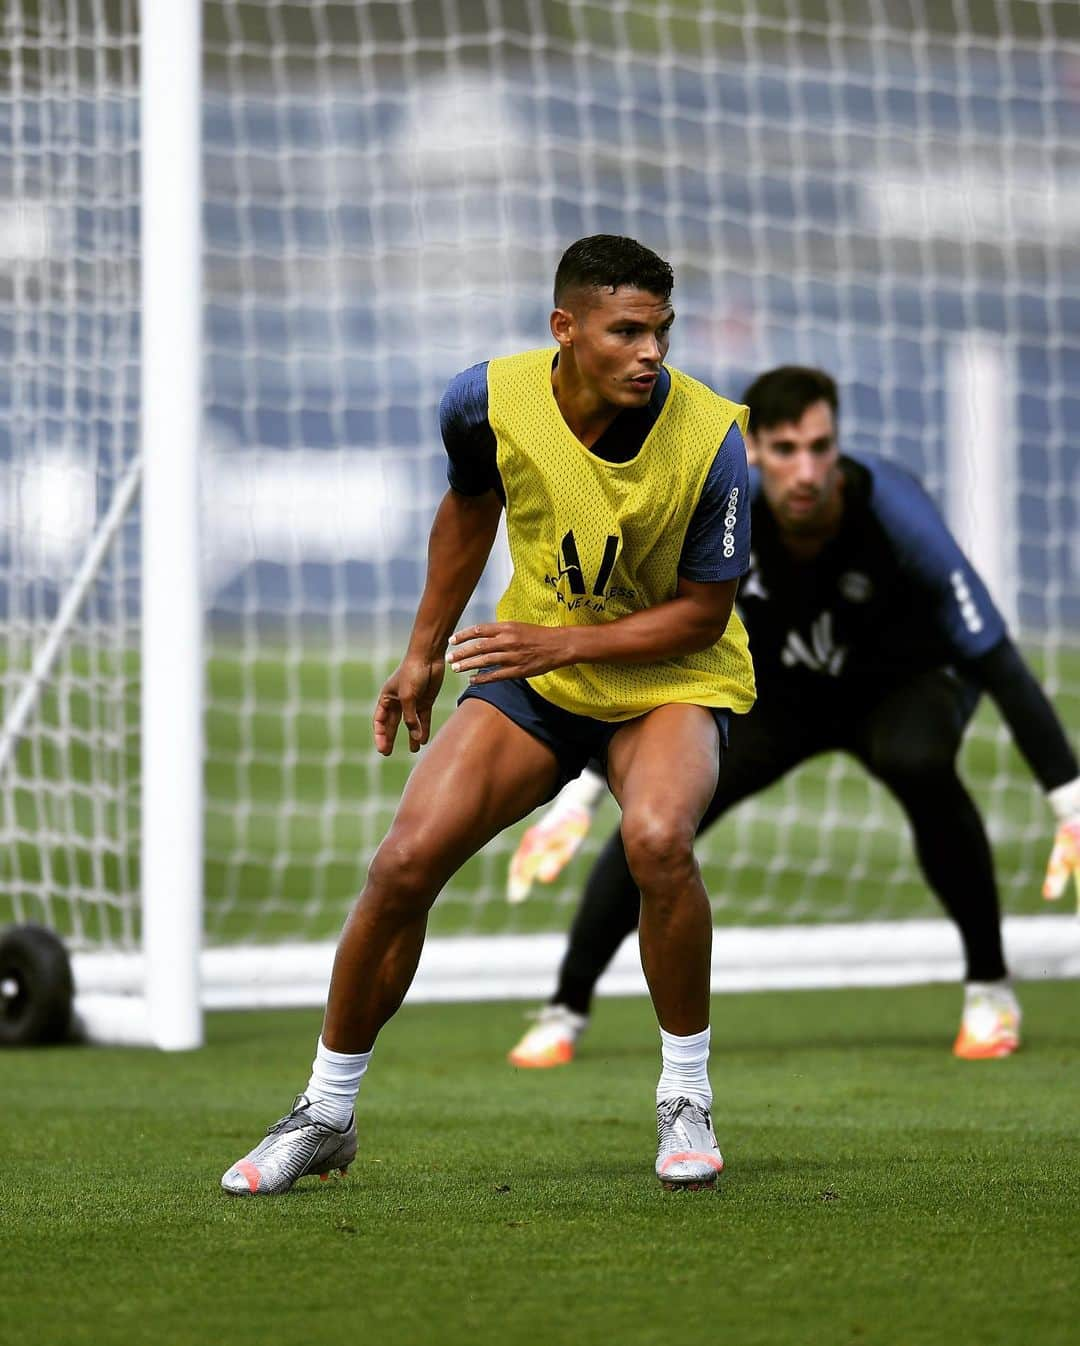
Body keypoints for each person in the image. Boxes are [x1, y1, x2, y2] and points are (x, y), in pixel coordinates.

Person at [222, 235, 757, 1195]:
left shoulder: (713, 436)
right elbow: (471, 508)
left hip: (669, 678)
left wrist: (565, 645)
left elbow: (705, 612)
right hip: (536, 673)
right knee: (402, 862)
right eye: (627, 331)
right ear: (565, 328)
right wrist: (423, 652)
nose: (651, 354)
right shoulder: (484, 401)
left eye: (661, 332)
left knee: (659, 839)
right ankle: (324, 1112)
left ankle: (686, 1097)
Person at [506, 365, 1080, 1070]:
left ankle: (991, 989)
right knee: (659, 823)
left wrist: (1070, 802)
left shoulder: (892, 507)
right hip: (779, 696)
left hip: (903, 689)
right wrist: (583, 797)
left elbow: (995, 656)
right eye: (784, 450)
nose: (805, 471)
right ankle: (565, 1007)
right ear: (753, 452)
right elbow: (662, 643)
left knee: (920, 763)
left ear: (837, 445)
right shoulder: (724, 505)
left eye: (820, 447)